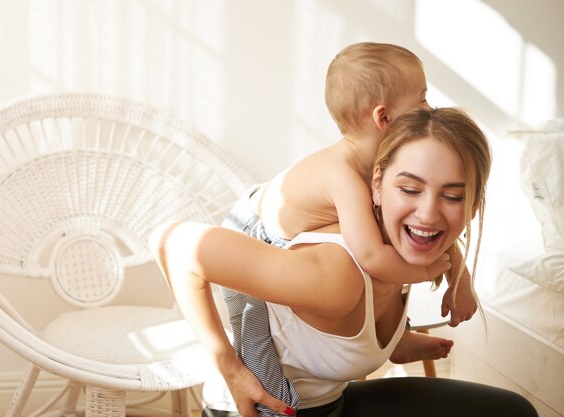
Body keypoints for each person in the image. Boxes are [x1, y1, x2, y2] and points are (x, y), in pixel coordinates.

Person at [150, 107, 538, 417]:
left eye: (453, 196)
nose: (428, 213)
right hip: (265, 410)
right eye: (409, 189)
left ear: (473, 206)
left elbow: (342, 343)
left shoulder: (408, 252)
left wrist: (405, 341)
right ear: (377, 184)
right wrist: (230, 370)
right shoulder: (337, 276)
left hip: (332, 403)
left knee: (511, 411)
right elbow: (173, 245)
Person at [218, 42, 475, 415]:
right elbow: (372, 257)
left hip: (275, 232)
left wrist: (460, 275)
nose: (429, 110)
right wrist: (434, 269)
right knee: (257, 354)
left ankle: (394, 339)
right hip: (247, 241)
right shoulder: (344, 175)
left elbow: (417, 233)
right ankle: (270, 407)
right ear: (384, 118)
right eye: (421, 101)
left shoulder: (378, 166)